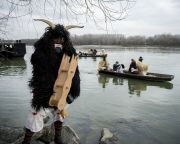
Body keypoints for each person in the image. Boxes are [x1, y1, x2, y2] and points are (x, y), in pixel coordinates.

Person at [22, 19, 83, 144]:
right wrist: (50, 54)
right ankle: (26, 141)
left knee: (60, 112)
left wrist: (73, 90)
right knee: (35, 114)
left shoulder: (69, 52)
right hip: (45, 90)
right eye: (56, 38)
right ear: (50, 38)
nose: (59, 41)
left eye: (61, 38)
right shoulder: (41, 52)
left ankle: (57, 138)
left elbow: (74, 73)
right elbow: (37, 63)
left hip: (64, 91)